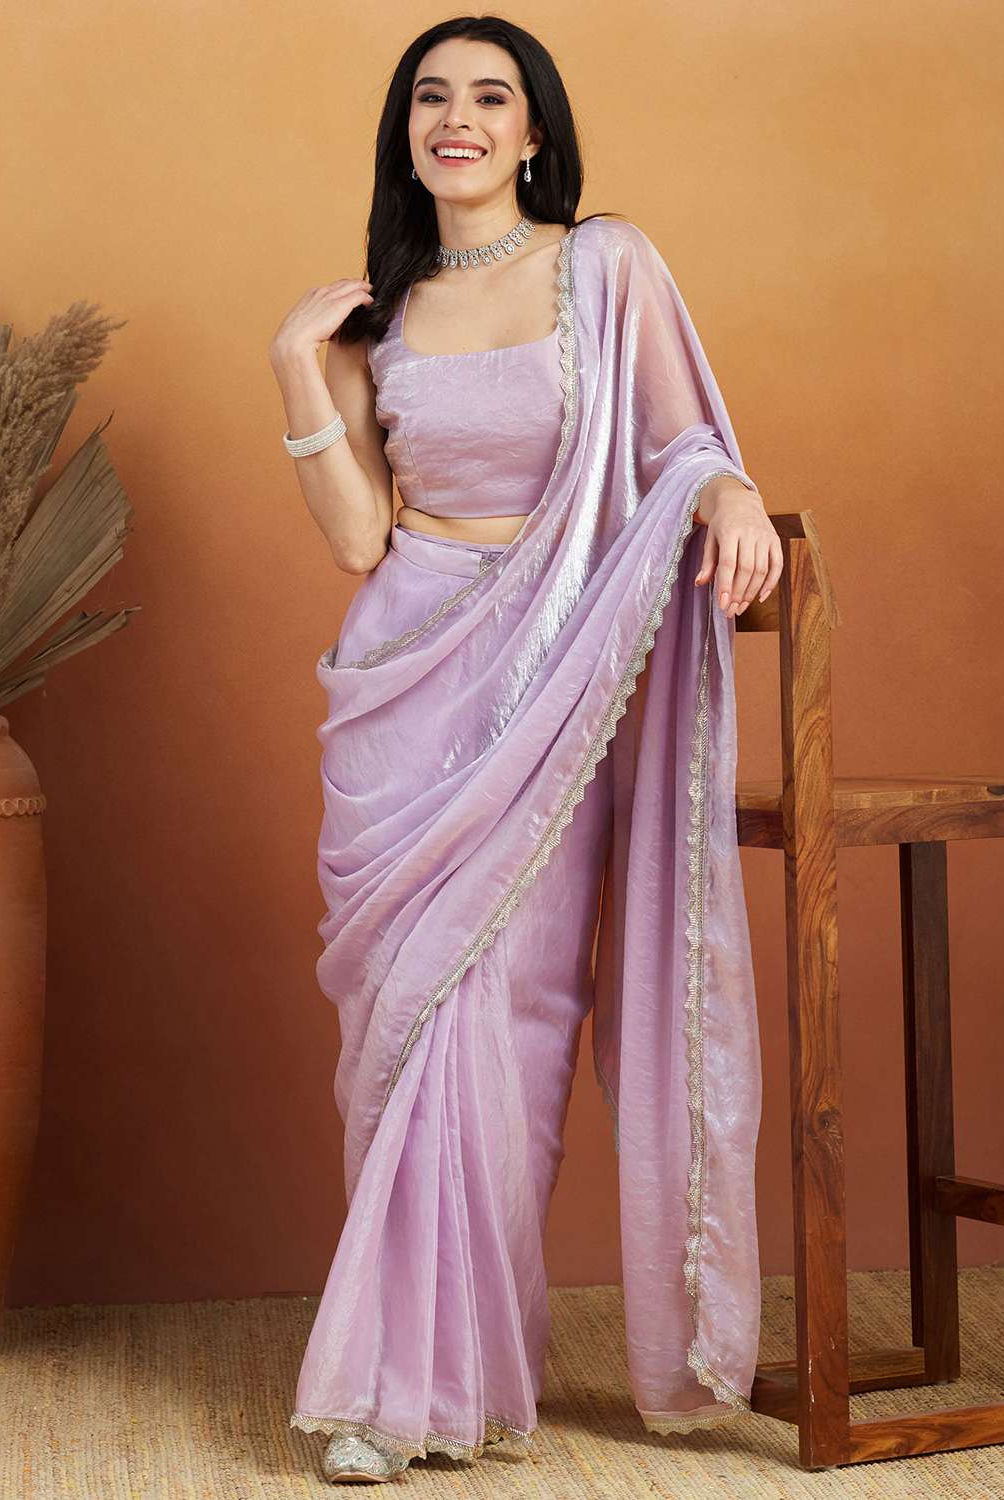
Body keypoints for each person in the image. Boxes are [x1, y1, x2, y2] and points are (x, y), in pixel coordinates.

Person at [268, 16, 782, 1486]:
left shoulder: (604, 264)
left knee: (511, 1022)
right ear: (406, 129)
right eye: (432, 97)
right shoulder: (379, 317)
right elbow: (359, 538)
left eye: (490, 98)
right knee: (405, 1028)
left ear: (533, 131)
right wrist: (296, 364)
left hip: (551, 679)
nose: (459, 119)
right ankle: (389, 1389)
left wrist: (726, 493)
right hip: (405, 683)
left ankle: (448, 1378)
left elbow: (680, 440)